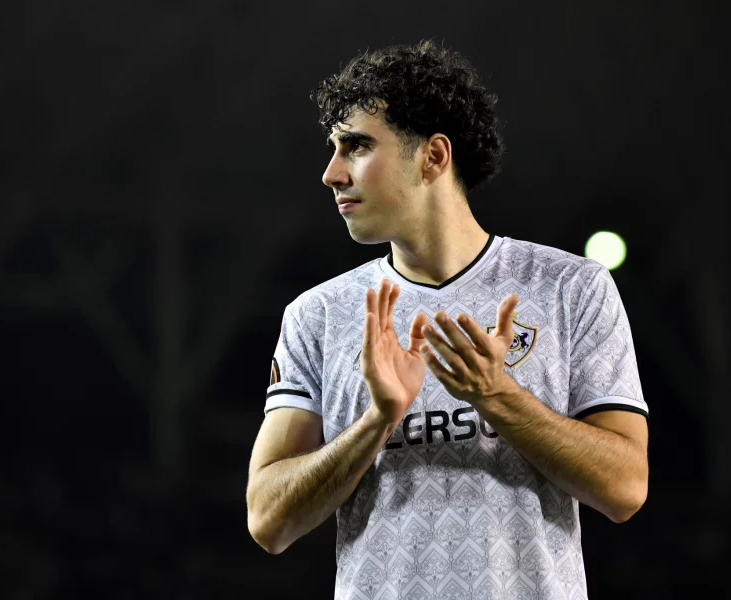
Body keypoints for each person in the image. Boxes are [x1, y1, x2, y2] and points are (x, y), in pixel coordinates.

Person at [246, 40, 649, 600]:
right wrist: (376, 421)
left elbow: (626, 487)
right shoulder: (317, 315)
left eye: (357, 146)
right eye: (334, 149)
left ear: (433, 157)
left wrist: (497, 396)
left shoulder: (571, 288)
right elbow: (267, 520)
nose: (331, 173)